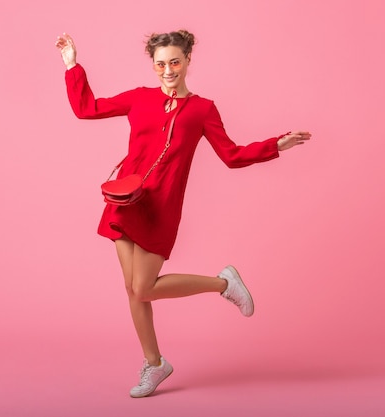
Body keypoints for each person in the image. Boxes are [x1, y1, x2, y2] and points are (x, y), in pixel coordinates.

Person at [55, 30, 310, 398]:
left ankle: (223, 283)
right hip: (126, 200)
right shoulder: (140, 98)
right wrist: (72, 65)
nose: (168, 70)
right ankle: (155, 363)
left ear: (188, 60)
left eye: (174, 61)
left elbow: (232, 155)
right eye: (160, 64)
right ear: (153, 65)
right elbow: (87, 108)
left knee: (144, 287)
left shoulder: (203, 109)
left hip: (161, 206)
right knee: (133, 291)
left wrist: (276, 144)